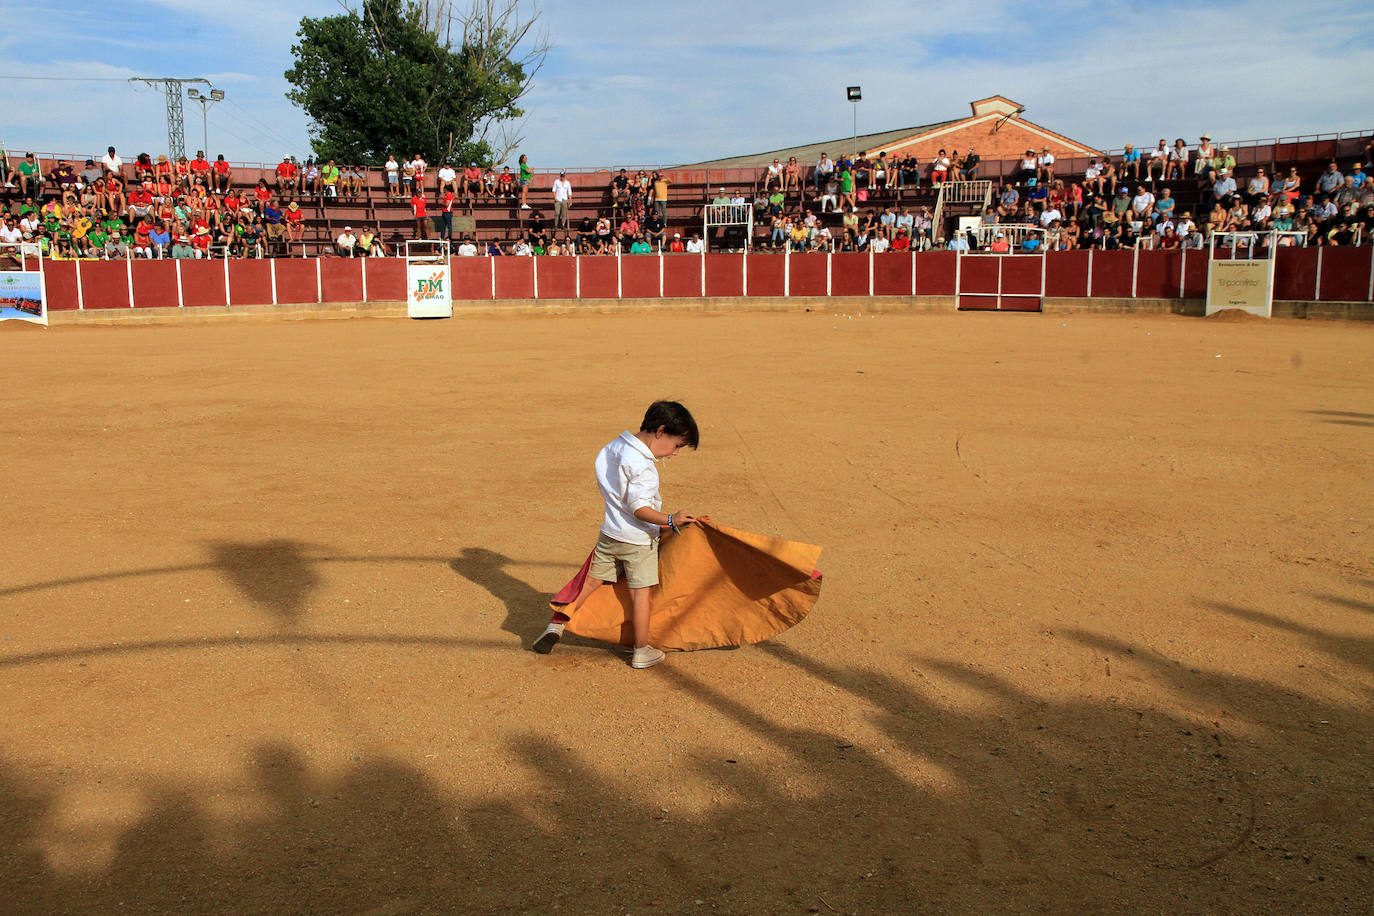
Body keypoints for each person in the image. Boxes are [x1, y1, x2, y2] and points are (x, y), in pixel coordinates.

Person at [533, 401, 701, 669]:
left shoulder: (613, 447)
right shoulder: (643, 468)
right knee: (640, 596)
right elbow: (640, 509)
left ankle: (555, 627)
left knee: (587, 584)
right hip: (638, 541)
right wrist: (671, 519)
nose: (675, 453)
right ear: (660, 431)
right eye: (677, 445)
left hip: (610, 534)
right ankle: (642, 651)